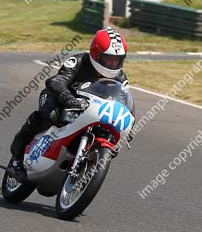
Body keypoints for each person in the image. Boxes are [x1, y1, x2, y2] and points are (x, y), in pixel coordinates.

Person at [9, 28, 129, 170]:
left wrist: (129, 126)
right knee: (47, 116)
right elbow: (55, 81)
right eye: (108, 59)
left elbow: (124, 102)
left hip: (91, 109)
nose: (112, 65)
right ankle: (18, 157)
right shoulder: (78, 61)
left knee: (109, 135)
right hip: (60, 99)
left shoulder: (121, 78)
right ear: (96, 54)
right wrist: (69, 98)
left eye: (116, 60)